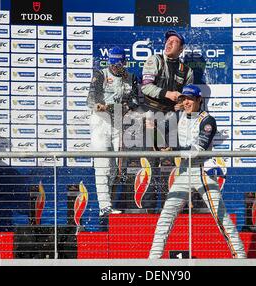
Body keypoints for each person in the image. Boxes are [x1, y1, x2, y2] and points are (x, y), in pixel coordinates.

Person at [148, 84, 246, 259]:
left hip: (202, 171)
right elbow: (161, 134)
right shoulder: (178, 116)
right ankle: (152, 261)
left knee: (221, 218)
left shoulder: (208, 120)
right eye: (184, 99)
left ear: (199, 100)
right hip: (184, 171)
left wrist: (173, 150)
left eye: (190, 99)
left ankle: (241, 259)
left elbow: (197, 149)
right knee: (165, 217)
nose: (186, 102)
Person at [134, 30, 194, 211]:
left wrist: (182, 104)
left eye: (174, 42)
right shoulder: (155, 60)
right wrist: (167, 94)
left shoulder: (187, 71)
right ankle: (149, 209)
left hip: (173, 121)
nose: (169, 44)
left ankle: (173, 207)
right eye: (168, 40)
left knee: (171, 164)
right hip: (151, 117)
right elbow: (146, 88)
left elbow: (189, 97)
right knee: (150, 164)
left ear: (181, 48)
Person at [87, 46, 139, 217]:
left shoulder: (131, 78)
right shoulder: (100, 74)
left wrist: (115, 107)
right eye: (113, 64)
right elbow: (92, 98)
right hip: (100, 122)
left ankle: (111, 202)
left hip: (119, 121)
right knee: (102, 165)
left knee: (118, 165)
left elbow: (134, 102)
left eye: (119, 64)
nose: (115, 67)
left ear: (124, 62)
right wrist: (98, 105)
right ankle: (105, 206)